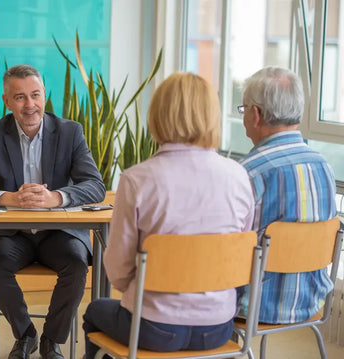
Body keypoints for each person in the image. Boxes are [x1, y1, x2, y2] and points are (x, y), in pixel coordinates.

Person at [83, 73, 255, 357]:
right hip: (217, 327)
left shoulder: (137, 179)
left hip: (152, 326)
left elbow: (117, 268)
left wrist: (142, 291)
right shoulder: (238, 175)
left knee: (94, 310)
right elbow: (241, 253)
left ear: (157, 115)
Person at [0, 64, 106, 359]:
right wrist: (9, 198)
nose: (30, 105)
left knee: (77, 264)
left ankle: (52, 339)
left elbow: (95, 186)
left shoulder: (70, 131)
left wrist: (56, 197)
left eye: (35, 95)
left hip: (58, 232)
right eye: (20, 97)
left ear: (44, 95)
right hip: (12, 234)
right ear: (7, 102)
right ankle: (25, 334)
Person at [237, 66, 337, 324]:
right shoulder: (325, 167)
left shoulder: (249, 173)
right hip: (312, 302)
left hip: (252, 306)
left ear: (256, 114)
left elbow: (228, 247)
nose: (243, 116)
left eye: (243, 108)